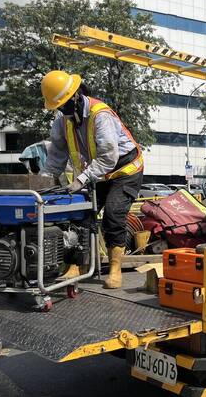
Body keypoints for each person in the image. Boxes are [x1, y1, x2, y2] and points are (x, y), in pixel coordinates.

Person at [39, 70, 144, 289]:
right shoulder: (62, 120)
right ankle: (75, 266)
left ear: (76, 95)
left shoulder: (100, 114)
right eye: (59, 106)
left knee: (113, 215)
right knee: (78, 215)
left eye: (65, 103)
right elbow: (57, 156)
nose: (62, 109)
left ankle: (115, 270)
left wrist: (81, 180)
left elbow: (108, 156)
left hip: (124, 170)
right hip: (98, 173)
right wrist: (43, 182)